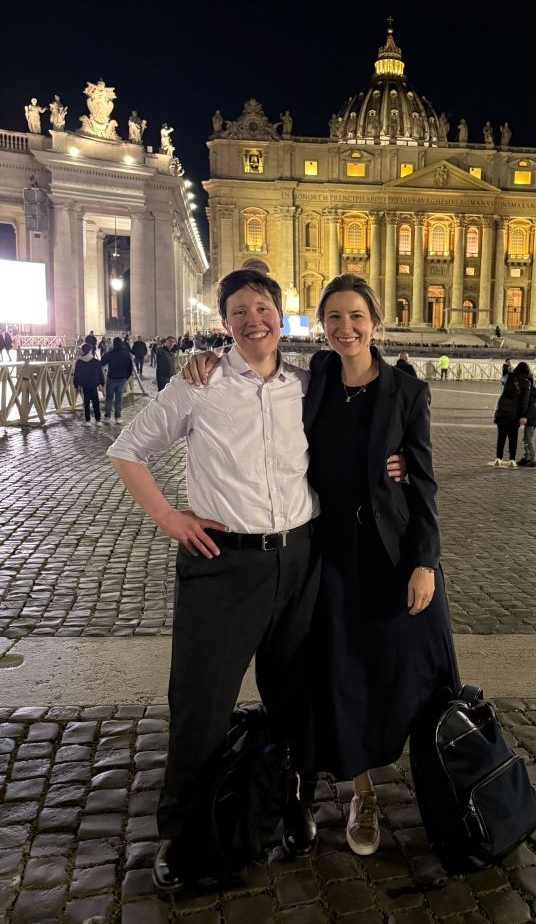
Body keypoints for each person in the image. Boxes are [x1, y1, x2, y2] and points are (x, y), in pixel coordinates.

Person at [181, 273, 452, 861]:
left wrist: (424, 561)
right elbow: (257, 371)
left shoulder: (407, 391)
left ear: (376, 323)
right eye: (333, 318)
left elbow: (424, 484)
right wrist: (206, 357)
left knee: (406, 675)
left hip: (388, 556)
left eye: (355, 317)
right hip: (324, 554)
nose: (344, 328)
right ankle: (355, 791)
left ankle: (449, 784)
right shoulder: (317, 377)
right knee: (338, 674)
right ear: (321, 325)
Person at [106, 270, 324, 894]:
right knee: (201, 703)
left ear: (281, 316)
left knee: (294, 697)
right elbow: (127, 449)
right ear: (224, 322)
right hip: (224, 564)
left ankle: (294, 808)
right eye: (239, 311)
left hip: (301, 558)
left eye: (263, 307)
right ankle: (185, 834)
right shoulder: (197, 383)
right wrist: (170, 517)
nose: (253, 319)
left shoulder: (305, 386)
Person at [492, 362, 529, 467]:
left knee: (501, 437)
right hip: (514, 414)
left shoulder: (508, 377)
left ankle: (498, 458)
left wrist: (505, 366)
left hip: (502, 411)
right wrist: (523, 415)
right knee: (513, 438)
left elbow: (504, 374)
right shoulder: (525, 382)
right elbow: (524, 401)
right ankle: (512, 459)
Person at [516, 363, 536, 468]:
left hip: (532, 419)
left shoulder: (532, 394)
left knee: (528, 439)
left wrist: (526, 417)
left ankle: (531, 459)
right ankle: (527, 457)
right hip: (533, 418)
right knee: (526, 439)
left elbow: (532, 408)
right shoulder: (534, 393)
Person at [101, 336, 134, 421]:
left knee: (109, 398)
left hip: (111, 378)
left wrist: (105, 353)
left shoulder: (111, 353)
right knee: (119, 398)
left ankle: (107, 416)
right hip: (122, 378)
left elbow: (102, 362)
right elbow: (130, 367)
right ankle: (117, 417)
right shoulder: (126, 353)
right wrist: (126, 377)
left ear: (114, 343)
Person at [72, 343, 105, 423]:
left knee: (86, 403)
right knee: (96, 402)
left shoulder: (79, 362)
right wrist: (102, 384)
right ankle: (98, 420)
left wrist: (75, 384)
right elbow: (100, 374)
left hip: (84, 385)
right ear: (90, 351)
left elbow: (76, 374)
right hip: (94, 385)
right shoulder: (96, 361)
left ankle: (87, 421)